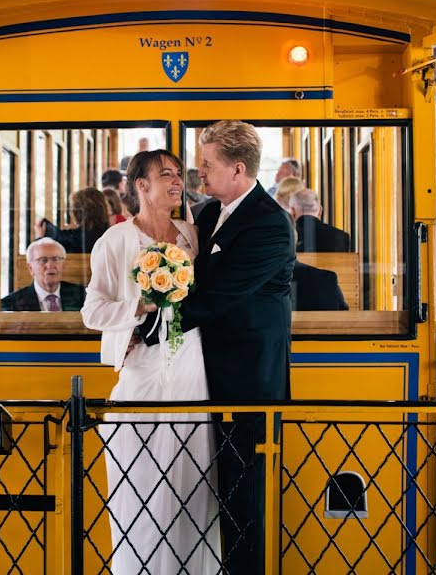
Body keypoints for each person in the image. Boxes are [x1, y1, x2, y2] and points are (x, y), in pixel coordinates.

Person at [81, 149, 221, 574]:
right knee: (140, 475)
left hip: (190, 362)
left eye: (179, 174)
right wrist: (140, 306)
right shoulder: (116, 241)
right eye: (166, 175)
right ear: (141, 186)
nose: (177, 181)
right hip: (142, 365)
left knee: (194, 471)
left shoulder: (193, 236)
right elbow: (93, 311)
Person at [182, 119, 295, 575]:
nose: (199, 174)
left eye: (206, 165)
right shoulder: (209, 214)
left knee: (244, 496)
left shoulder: (270, 223)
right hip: (204, 376)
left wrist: (148, 330)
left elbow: (217, 296)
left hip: (249, 384)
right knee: (210, 489)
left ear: (239, 168)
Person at [0, 238, 85, 311]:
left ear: (63, 265)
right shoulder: (11, 305)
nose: (50, 265)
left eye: (56, 259)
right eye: (43, 260)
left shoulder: (83, 296)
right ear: (30, 268)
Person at [36, 187, 110, 253]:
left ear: (77, 213)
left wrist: (40, 237)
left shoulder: (69, 239)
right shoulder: (109, 234)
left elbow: (38, 254)